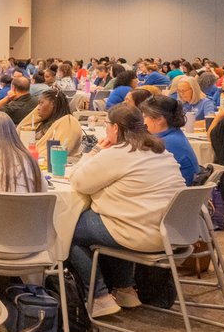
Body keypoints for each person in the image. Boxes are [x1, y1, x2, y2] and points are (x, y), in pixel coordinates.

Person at [68, 105, 185, 317]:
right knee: (108, 222)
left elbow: (79, 182)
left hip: (141, 233)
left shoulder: (117, 154)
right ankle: (125, 290)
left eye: (106, 126)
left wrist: (94, 152)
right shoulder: (160, 151)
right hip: (174, 231)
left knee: (68, 230)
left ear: (114, 128)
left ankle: (99, 296)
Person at [140, 96, 200, 185]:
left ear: (159, 119)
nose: (143, 122)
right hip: (182, 190)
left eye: (145, 117)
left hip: (174, 192)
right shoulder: (175, 135)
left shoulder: (166, 143)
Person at [18, 88, 82, 156]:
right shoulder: (43, 122)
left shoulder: (69, 122)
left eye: (41, 103)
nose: (38, 108)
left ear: (53, 103)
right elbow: (19, 129)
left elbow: (57, 154)